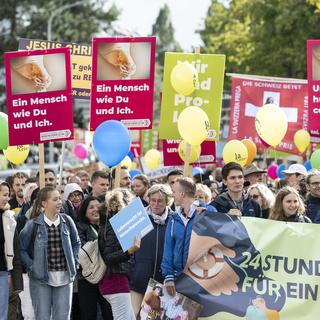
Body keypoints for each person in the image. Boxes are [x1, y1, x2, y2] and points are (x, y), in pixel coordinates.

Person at [19, 187, 81, 319]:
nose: (59, 202)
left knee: (63, 317)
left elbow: (76, 243)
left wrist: (75, 261)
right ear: (44, 203)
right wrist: (32, 266)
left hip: (65, 278)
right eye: (55, 199)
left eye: (59, 198)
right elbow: (21, 249)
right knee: (42, 316)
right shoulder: (32, 225)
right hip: (40, 279)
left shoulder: (67, 221)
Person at [161, 177, 217, 297]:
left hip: (201, 278)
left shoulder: (208, 211)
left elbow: (221, 238)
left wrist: (208, 217)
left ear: (182, 194)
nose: (172, 195)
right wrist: (169, 276)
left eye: (174, 192)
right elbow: (168, 249)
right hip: (178, 278)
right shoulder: (173, 218)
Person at [130, 184, 173, 316]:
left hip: (162, 283)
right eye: (153, 200)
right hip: (138, 279)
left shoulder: (174, 220)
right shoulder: (138, 217)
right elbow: (126, 247)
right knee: (132, 315)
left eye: (160, 201)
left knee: (152, 318)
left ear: (167, 201)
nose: (155, 204)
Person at [98, 188, 141, 319]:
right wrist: (129, 252)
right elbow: (108, 257)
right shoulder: (113, 227)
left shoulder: (112, 225)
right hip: (115, 281)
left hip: (118, 280)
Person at [76, 196, 113, 320]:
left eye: (98, 206)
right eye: (91, 207)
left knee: (109, 313)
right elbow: (82, 251)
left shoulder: (108, 226)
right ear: (85, 212)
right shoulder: (79, 227)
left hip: (107, 276)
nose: (95, 210)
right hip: (87, 278)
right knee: (88, 315)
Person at [0, 181, 23, 320]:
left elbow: (15, 249)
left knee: (2, 314)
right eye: (4, 195)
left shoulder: (8, 218)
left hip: (3, 272)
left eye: (8, 195)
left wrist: (15, 278)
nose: (7, 198)